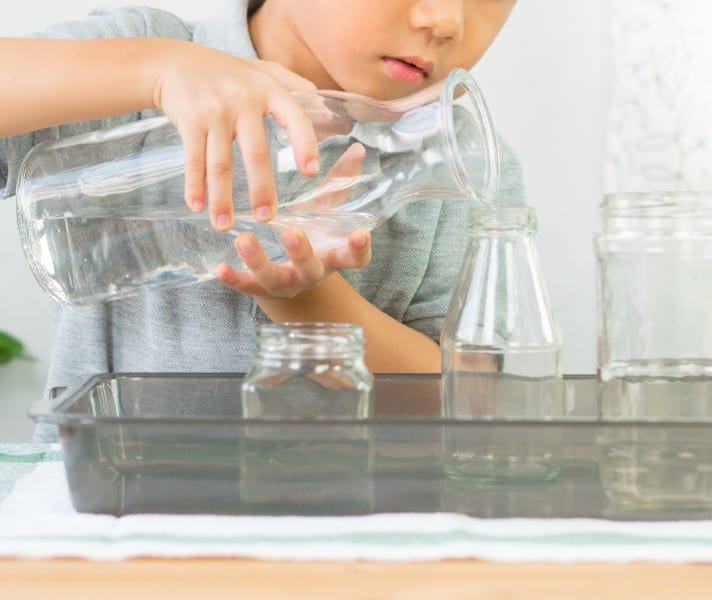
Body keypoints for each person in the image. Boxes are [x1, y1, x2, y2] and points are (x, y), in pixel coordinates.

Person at [0, 0, 524, 440]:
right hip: (111, 517)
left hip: (351, 533)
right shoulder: (139, 56)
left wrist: (308, 301)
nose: (447, 19)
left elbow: (470, 404)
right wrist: (153, 70)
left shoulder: (463, 162)